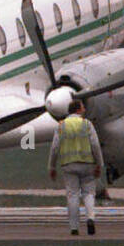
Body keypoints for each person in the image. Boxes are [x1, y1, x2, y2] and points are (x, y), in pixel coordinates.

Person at [48, 98, 107, 236]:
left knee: (72, 195)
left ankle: (74, 227)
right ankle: (90, 218)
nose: (85, 109)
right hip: (87, 164)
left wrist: (51, 166)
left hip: (68, 165)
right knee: (89, 194)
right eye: (83, 107)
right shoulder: (87, 124)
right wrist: (99, 163)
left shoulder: (61, 126)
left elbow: (55, 147)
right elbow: (95, 145)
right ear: (78, 109)